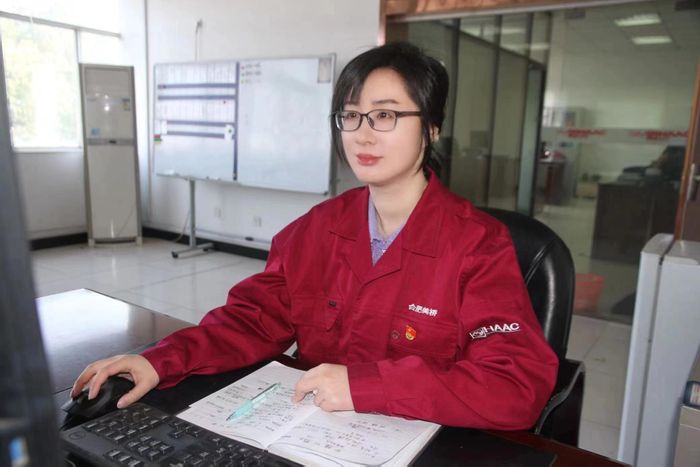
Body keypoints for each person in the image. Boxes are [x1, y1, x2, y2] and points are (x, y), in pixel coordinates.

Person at [72, 42, 558, 430]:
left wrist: (365, 387)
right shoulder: (317, 228)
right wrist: (162, 360)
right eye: (351, 115)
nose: (362, 134)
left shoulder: (478, 245)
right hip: (306, 431)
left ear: (431, 128)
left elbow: (515, 387)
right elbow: (252, 321)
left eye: (385, 115)